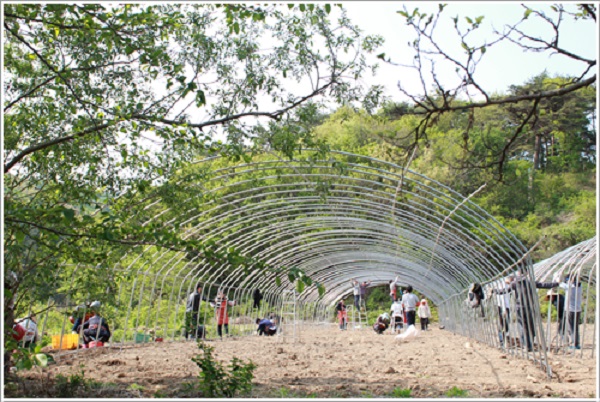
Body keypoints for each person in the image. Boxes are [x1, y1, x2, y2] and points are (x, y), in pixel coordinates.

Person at [491, 270, 560, 352]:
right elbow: (544, 285)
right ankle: (529, 344)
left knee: (523, 327)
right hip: (529, 307)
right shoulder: (530, 282)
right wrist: (556, 283)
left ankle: (526, 345)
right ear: (526, 273)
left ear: (518, 274)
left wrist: (494, 290)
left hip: (519, 308)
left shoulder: (514, 283)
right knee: (530, 326)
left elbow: (503, 291)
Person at [560, 275, 583, 349]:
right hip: (578, 310)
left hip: (570, 310)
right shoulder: (580, 286)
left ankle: (574, 343)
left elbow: (559, 283)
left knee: (571, 327)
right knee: (575, 327)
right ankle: (576, 343)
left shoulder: (570, 287)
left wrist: (557, 276)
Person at [496, 276, 513, 345]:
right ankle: (502, 341)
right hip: (502, 307)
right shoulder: (503, 285)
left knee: (505, 324)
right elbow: (502, 298)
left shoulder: (508, 285)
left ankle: (504, 339)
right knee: (502, 324)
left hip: (506, 307)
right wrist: (504, 309)